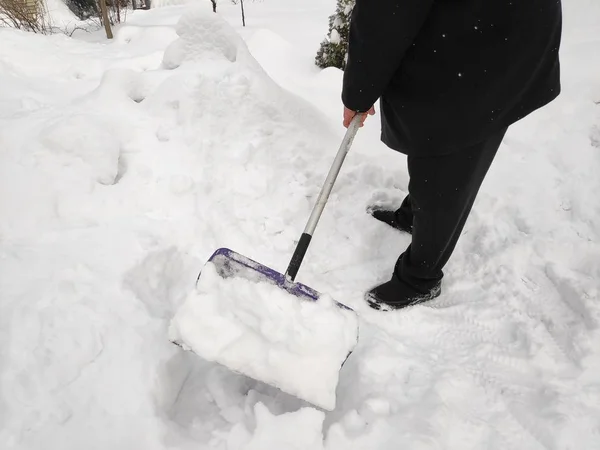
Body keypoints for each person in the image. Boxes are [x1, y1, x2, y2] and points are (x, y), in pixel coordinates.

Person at [341, 0, 562, 310]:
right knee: (429, 134)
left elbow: (386, 15)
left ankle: (420, 278)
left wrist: (357, 94)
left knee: (449, 157)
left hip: (494, 45)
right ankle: (416, 215)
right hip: (476, 26)